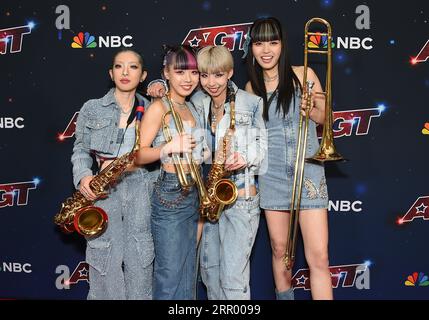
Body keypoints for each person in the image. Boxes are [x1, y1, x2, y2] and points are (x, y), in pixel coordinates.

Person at [244, 17, 333, 300]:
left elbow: (325, 120)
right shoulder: (250, 88)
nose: (266, 50)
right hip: (271, 176)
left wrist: (312, 111)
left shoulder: (304, 75)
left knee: (318, 256)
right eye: (259, 43)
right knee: (281, 251)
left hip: (309, 173)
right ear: (252, 48)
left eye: (273, 42)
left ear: (282, 44)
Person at [71, 48, 155, 300]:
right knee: (102, 254)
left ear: (143, 75)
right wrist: (84, 175)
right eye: (119, 66)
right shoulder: (92, 108)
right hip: (102, 189)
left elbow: (161, 153)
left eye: (133, 67)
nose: (125, 72)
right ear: (111, 73)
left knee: (140, 255)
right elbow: (80, 149)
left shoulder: (153, 109)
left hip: (140, 186)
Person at [135, 45, 208, 300]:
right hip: (170, 194)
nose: (188, 79)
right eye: (180, 72)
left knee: (189, 273)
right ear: (166, 73)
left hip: (195, 192)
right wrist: (167, 148)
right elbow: (139, 154)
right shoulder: (159, 107)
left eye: (194, 73)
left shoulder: (192, 106)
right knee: (169, 276)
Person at [194, 45, 266, 299]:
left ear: (230, 73)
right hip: (210, 198)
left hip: (241, 198)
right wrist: (156, 84)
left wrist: (245, 157)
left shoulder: (251, 103)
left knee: (233, 279)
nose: (211, 83)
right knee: (210, 273)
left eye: (218, 75)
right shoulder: (197, 101)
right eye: (204, 75)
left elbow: (264, 147)